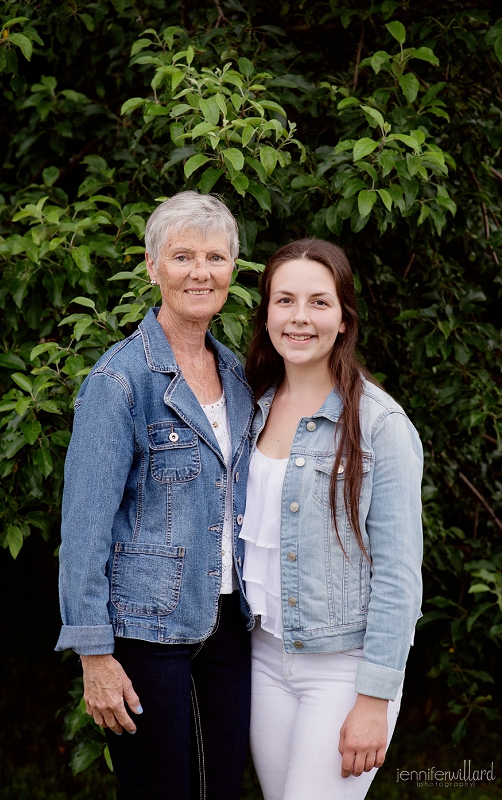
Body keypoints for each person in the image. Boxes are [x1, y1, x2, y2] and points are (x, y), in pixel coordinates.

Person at [55, 191, 255, 800]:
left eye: (216, 258)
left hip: (228, 626)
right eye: (183, 256)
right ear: (152, 267)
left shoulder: (240, 374)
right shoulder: (120, 381)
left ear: (232, 271)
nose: (202, 272)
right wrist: (94, 653)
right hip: (147, 637)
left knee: (219, 789)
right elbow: (84, 526)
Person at [240, 238, 423, 800]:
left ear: (344, 318)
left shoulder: (381, 425)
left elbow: (399, 577)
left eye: (319, 303)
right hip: (264, 657)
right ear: (266, 311)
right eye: (285, 300)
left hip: (342, 670)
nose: (300, 318)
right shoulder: (252, 405)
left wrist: (374, 698)